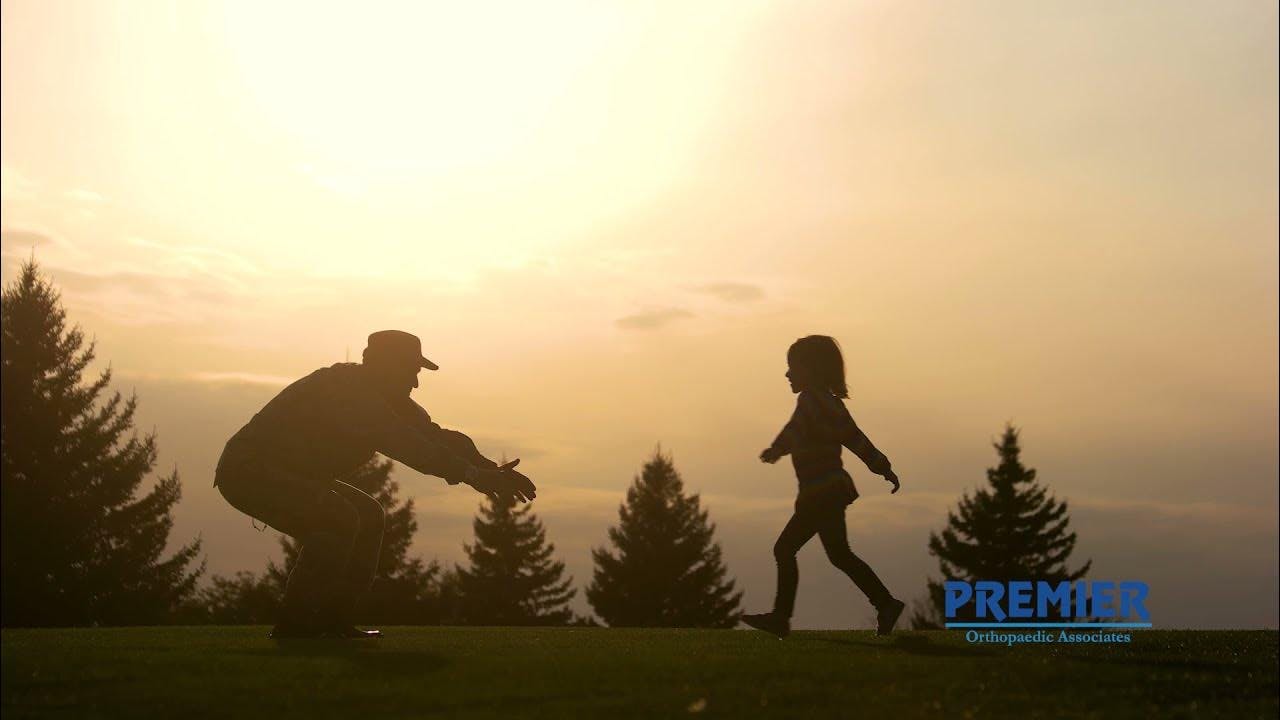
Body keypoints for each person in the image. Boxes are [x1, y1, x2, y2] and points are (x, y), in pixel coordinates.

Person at [214, 330, 535, 639]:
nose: (416, 382)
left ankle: (333, 623)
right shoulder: (351, 394)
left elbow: (435, 437)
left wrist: (489, 469)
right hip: (247, 473)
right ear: (386, 366)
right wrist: (474, 476)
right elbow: (413, 448)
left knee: (368, 516)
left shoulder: (386, 397)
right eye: (410, 371)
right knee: (337, 518)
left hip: (285, 474)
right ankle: (295, 626)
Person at [741, 335, 905, 638]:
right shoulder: (833, 404)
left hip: (819, 494)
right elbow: (857, 440)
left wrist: (777, 449)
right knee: (840, 555)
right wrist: (883, 467)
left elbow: (796, 428)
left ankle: (781, 617)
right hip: (832, 491)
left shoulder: (810, 400)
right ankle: (886, 604)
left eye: (793, 367)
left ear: (812, 369)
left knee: (785, 549)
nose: (788, 374)